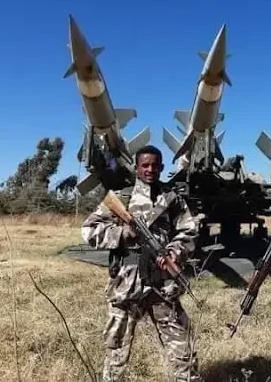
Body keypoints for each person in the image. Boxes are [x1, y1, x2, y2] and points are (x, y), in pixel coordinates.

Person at [82, 145, 202, 382]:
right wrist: (121, 233)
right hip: (126, 284)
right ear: (136, 168)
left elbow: (189, 231)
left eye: (155, 165)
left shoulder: (172, 198)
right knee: (117, 350)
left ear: (162, 167)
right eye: (145, 165)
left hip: (162, 284)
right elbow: (89, 230)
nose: (150, 170)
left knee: (182, 349)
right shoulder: (122, 197)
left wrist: (174, 252)